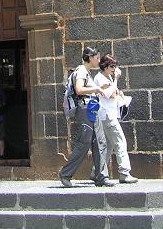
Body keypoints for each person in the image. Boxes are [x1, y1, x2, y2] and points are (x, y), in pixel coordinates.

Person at [58, 46, 115, 188]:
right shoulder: (82, 71)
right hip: (85, 109)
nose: (98, 60)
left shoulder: (86, 72)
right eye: (97, 58)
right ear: (90, 58)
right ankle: (65, 174)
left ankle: (101, 176)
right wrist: (96, 88)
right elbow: (79, 89)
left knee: (100, 142)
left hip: (91, 109)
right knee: (84, 143)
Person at [94, 54, 138, 184]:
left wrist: (117, 88)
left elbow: (114, 92)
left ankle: (97, 171)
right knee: (120, 141)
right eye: (112, 66)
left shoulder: (106, 77)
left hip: (108, 115)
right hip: (107, 116)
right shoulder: (100, 78)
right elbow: (110, 95)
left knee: (108, 146)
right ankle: (124, 172)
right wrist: (116, 79)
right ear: (105, 66)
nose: (114, 69)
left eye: (115, 66)